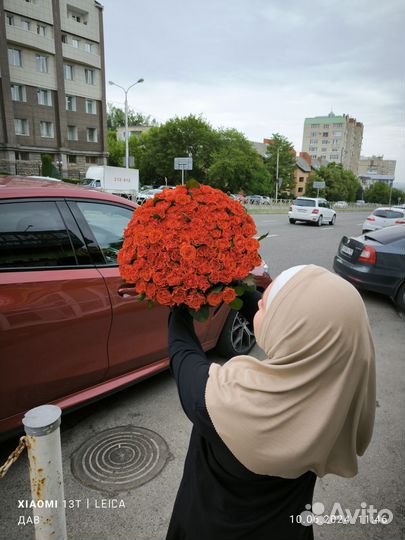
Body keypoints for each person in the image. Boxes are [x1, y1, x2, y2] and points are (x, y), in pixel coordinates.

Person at [166, 264, 376, 540]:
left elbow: (183, 356)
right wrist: (228, 280)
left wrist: (179, 306)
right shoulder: (341, 389)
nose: (261, 302)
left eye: (268, 305)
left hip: (211, 526)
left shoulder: (231, 400)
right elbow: (285, 322)